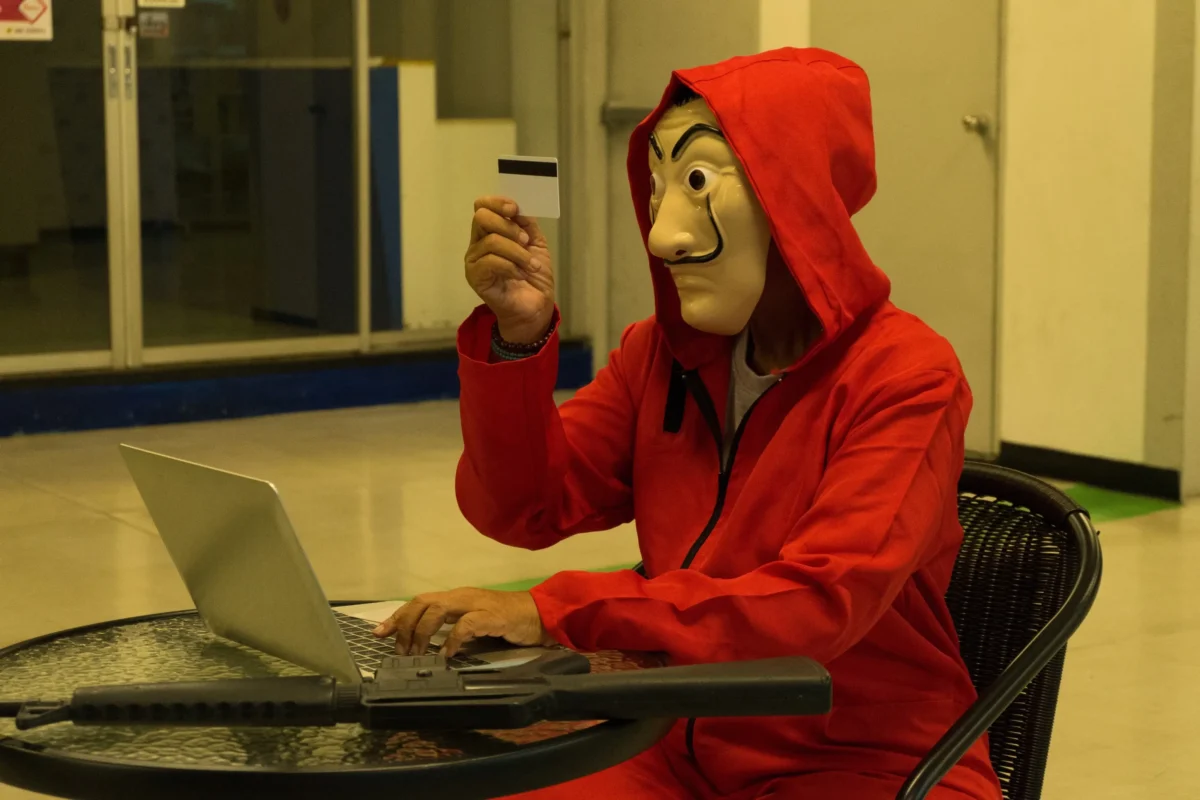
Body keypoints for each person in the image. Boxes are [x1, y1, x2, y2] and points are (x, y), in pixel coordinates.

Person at [373, 48, 1004, 799]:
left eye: (698, 182)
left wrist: (553, 611)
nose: (663, 235)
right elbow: (523, 505)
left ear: (796, 197)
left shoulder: (906, 375)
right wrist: (517, 335)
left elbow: (818, 601)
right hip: (669, 742)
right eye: (656, 187)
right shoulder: (660, 357)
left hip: (865, 760)